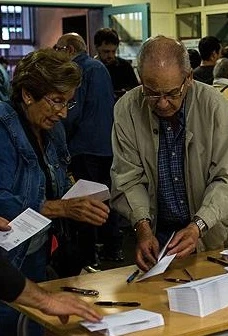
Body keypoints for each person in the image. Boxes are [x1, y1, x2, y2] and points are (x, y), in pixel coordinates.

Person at [110, 36, 228, 272]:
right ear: (140, 80)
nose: (163, 104)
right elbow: (128, 177)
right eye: (152, 93)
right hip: (156, 230)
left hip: (209, 230)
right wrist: (142, 227)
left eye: (172, 93)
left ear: (189, 78)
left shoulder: (216, 107)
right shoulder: (127, 108)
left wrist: (198, 226)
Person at [0, 48, 110, 336]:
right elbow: (2, 198)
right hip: (8, 261)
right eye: (57, 101)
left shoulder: (53, 130)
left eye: (68, 103)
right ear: (27, 94)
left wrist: (79, 199)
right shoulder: (2, 127)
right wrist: (60, 208)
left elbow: (55, 182)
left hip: (41, 252)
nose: (62, 113)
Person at [55, 33, 117, 273]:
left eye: (59, 48)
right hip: (106, 145)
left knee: (85, 202)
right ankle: (113, 247)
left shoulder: (78, 70)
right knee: (105, 196)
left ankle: (89, 255)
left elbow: (73, 111)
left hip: (84, 146)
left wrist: (60, 138)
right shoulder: (100, 68)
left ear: (70, 49)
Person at [94, 28, 139, 100]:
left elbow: (136, 91)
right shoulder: (91, 69)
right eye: (106, 51)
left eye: (113, 51)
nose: (111, 56)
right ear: (96, 48)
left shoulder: (125, 66)